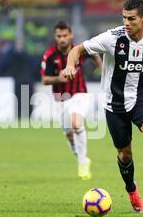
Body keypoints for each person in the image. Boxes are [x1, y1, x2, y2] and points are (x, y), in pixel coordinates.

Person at [62, 0, 143, 213]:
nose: (126, 22)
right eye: (124, 18)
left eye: (131, 18)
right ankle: (132, 190)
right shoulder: (111, 38)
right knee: (125, 154)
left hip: (141, 98)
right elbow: (77, 50)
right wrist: (70, 65)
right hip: (114, 103)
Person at [40, 21, 103, 180]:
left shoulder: (79, 50)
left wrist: (103, 71)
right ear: (55, 37)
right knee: (69, 135)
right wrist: (59, 78)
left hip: (80, 94)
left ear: (71, 35)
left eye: (65, 35)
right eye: (59, 36)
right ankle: (80, 156)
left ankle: (83, 161)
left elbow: (95, 54)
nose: (62, 39)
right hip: (60, 99)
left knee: (76, 123)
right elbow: (45, 80)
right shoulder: (49, 56)